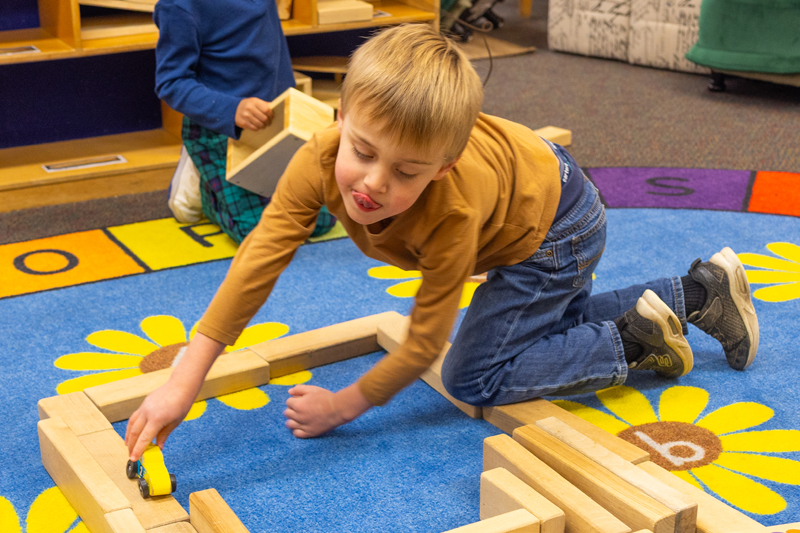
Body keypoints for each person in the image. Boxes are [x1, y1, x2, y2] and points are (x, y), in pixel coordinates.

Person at [125, 23, 759, 460]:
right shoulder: (317, 156)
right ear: (338, 121)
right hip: (532, 193)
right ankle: (699, 293)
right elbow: (260, 257)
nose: (372, 184)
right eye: (363, 152)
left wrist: (343, 407)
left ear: (442, 167)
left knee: (474, 372)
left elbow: (425, 338)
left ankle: (630, 341)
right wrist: (186, 377)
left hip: (558, 230)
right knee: (533, 328)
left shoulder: (452, 211)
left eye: (405, 172)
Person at [155, 0, 336, 242]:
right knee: (258, 233)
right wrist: (233, 110)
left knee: (322, 219)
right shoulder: (179, 6)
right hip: (223, 125)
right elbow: (171, 83)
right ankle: (201, 181)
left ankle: (212, 179)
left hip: (276, 120)